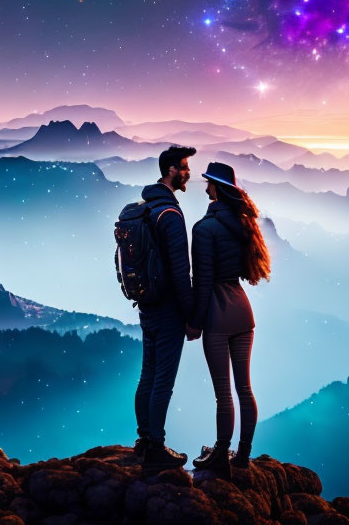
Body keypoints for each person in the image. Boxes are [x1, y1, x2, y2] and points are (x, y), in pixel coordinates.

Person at [187, 161, 271, 472]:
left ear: (217, 189)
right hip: (243, 311)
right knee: (245, 389)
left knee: (224, 392)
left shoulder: (204, 228)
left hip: (218, 316)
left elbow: (203, 280)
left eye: (208, 181)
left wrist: (195, 322)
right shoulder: (244, 224)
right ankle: (243, 456)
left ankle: (221, 454)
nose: (205, 185)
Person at [133, 145, 197, 472]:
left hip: (146, 305)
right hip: (169, 309)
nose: (189, 173)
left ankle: (144, 439)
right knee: (163, 381)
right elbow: (179, 271)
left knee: (148, 374)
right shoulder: (170, 215)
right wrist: (191, 316)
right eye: (185, 168)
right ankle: (156, 447)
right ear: (171, 170)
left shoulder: (147, 206)